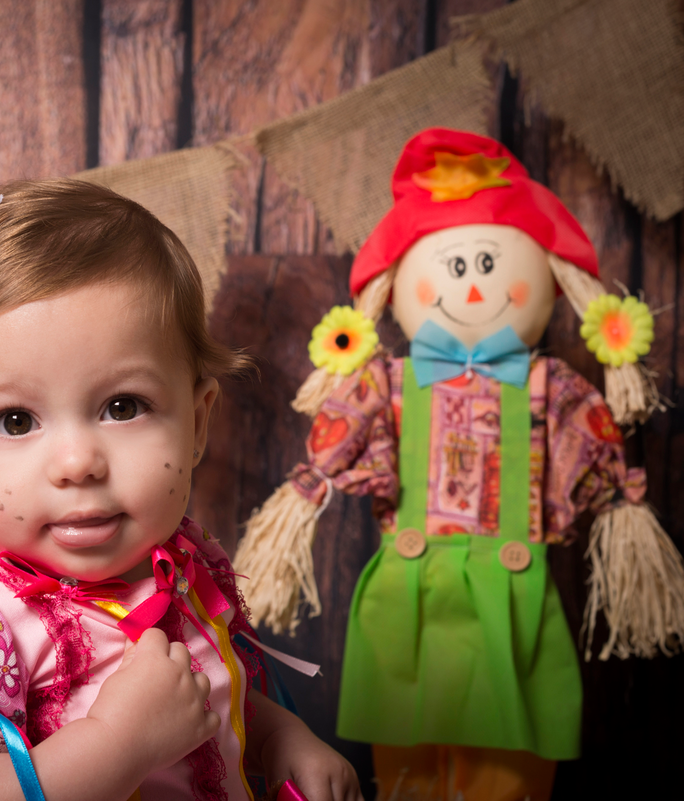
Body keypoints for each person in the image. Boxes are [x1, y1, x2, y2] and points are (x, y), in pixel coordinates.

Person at [0, 179, 362, 801]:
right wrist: (116, 744)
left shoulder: (181, 564)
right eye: (15, 421)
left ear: (197, 424)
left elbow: (205, 693)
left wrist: (280, 738)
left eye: (122, 406)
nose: (78, 463)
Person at [234, 128, 684, 801]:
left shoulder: (554, 392)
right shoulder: (385, 386)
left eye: (489, 264)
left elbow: (612, 476)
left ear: (553, 281)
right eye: (454, 267)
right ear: (395, 288)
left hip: (512, 602)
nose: (472, 287)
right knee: (407, 768)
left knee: (508, 768)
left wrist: (628, 523)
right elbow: (327, 458)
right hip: (408, 602)